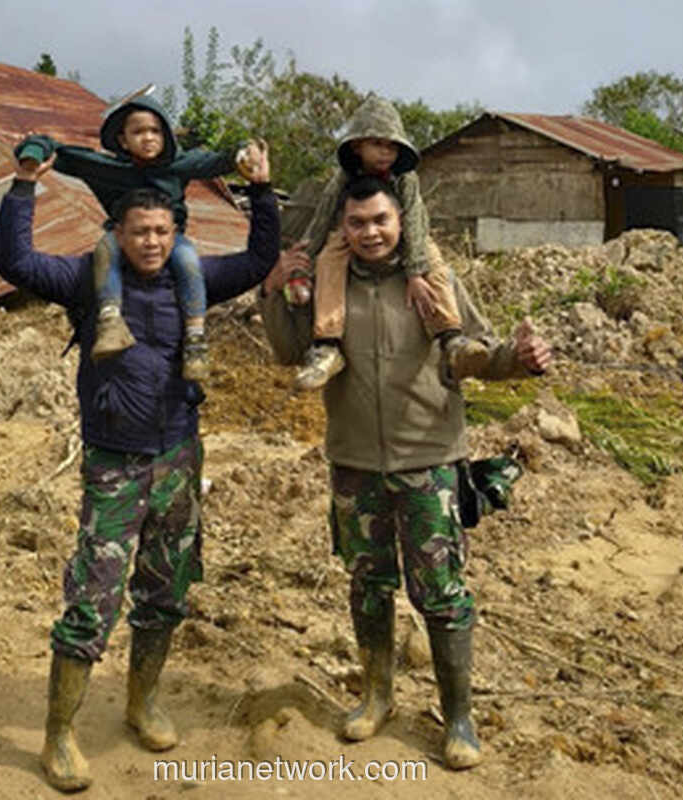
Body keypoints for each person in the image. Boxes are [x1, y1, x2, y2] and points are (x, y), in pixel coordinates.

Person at [0, 141, 277, 792]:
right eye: (139, 232)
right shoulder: (88, 282)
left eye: (161, 231)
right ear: (118, 234)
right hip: (116, 463)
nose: (150, 242)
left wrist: (262, 191)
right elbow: (13, 261)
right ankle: (59, 733)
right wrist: (23, 186)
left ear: (176, 232)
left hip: (180, 454)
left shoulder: (193, 279)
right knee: (93, 601)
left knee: (166, 593)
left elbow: (260, 260)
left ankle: (142, 702)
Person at [261, 176, 552, 770]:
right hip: (354, 464)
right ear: (342, 227)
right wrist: (271, 292)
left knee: (441, 594)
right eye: (357, 222)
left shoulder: (432, 281)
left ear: (401, 223)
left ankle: (460, 717)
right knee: (368, 585)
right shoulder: (325, 284)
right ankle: (377, 696)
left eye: (380, 221)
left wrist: (515, 360)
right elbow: (291, 353)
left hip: (429, 461)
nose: (369, 233)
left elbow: (475, 350)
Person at [14, 95, 260, 380]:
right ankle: (109, 323)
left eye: (155, 131)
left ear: (166, 135)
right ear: (122, 139)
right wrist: (33, 147)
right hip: (120, 235)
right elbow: (66, 156)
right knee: (105, 252)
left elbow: (216, 161)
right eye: (139, 132)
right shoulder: (109, 168)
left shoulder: (180, 164)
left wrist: (244, 152)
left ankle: (194, 339)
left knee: (188, 260)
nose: (148, 138)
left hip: (170, 239)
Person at [293, 94, 487, 391]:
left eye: (392, 146)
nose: (387, 153)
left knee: (434, 264)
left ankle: (451, 338)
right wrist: (303, 261)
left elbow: (414, 222)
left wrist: (415, 271)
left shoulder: (405, 179)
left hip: (409, 235)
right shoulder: (343, 179)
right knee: (329, 258)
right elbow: (323, 217)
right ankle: (327, 345)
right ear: (358, 146)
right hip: (352, 235)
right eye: (378, 144)